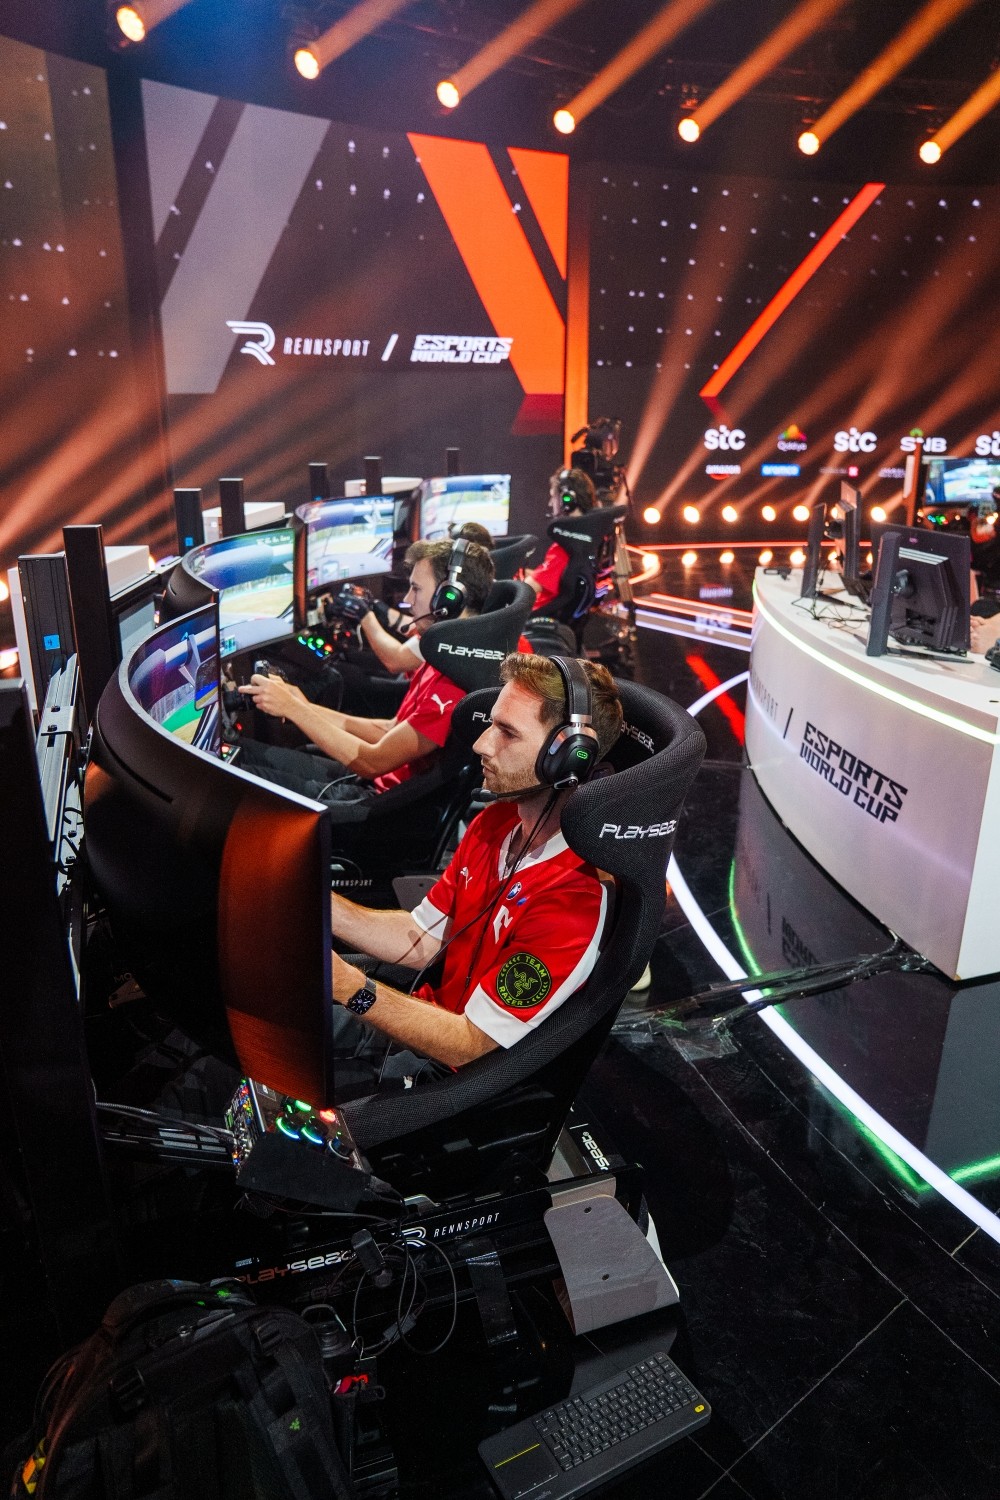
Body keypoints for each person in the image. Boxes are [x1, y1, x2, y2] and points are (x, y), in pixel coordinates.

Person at [326, 652, 623, 1090]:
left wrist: (350, 988)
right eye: (491, 724)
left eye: (507, 732)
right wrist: (317, 904)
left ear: (568, 758)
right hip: (418, 1021)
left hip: (443, 1077)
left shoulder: (574, 899)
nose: (481, 744)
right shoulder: (497, 822)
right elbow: (426, 938)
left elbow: (469, 1044)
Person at [236, 538, 494, 806]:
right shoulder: (446, 656)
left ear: (449, 598)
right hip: (375, 784)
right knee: (244, 753)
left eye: (416, 589)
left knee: (241, 776)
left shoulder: (453, 684)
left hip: (376, 805)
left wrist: (293, 709)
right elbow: (390, 730)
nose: (407, 600)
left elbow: (372, 762)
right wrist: (304, 706)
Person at [524, 468, 598, 613]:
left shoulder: (565, 548)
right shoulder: (588, 537)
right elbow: (554, 578)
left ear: (567, 500)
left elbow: (527, 589)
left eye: (553, 497)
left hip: (531, 618)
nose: (550, 503)